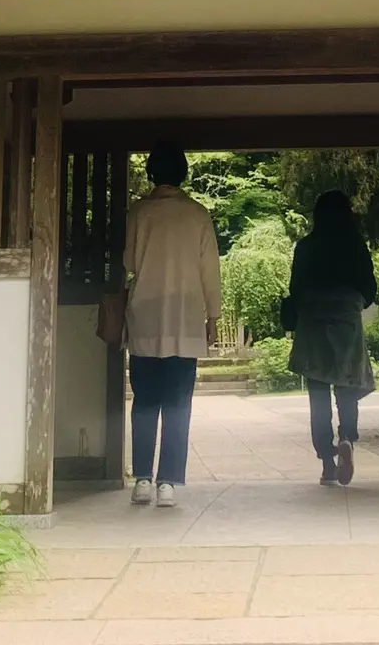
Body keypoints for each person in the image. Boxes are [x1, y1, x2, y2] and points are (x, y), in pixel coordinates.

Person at [122, 142, 221, 508]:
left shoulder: (138, 212)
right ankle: (167, 483)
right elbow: (209, 270)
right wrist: (213, 315)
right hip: (185, 316)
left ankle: (142, 479)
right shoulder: (197, 214)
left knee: (145, 400)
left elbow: (129, 262)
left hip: (146, 315)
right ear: (183, 173)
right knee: (179, 402)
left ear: (151, 172)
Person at [285, 190, 378, 487]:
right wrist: (353, 304)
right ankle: (347, 437)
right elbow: (369, 287)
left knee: (318, 391)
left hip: (313, 319)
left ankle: (327, 461)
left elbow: (296, 288)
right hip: (346, 316)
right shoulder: (355, 245)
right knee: (347, 385)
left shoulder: (306, 246)